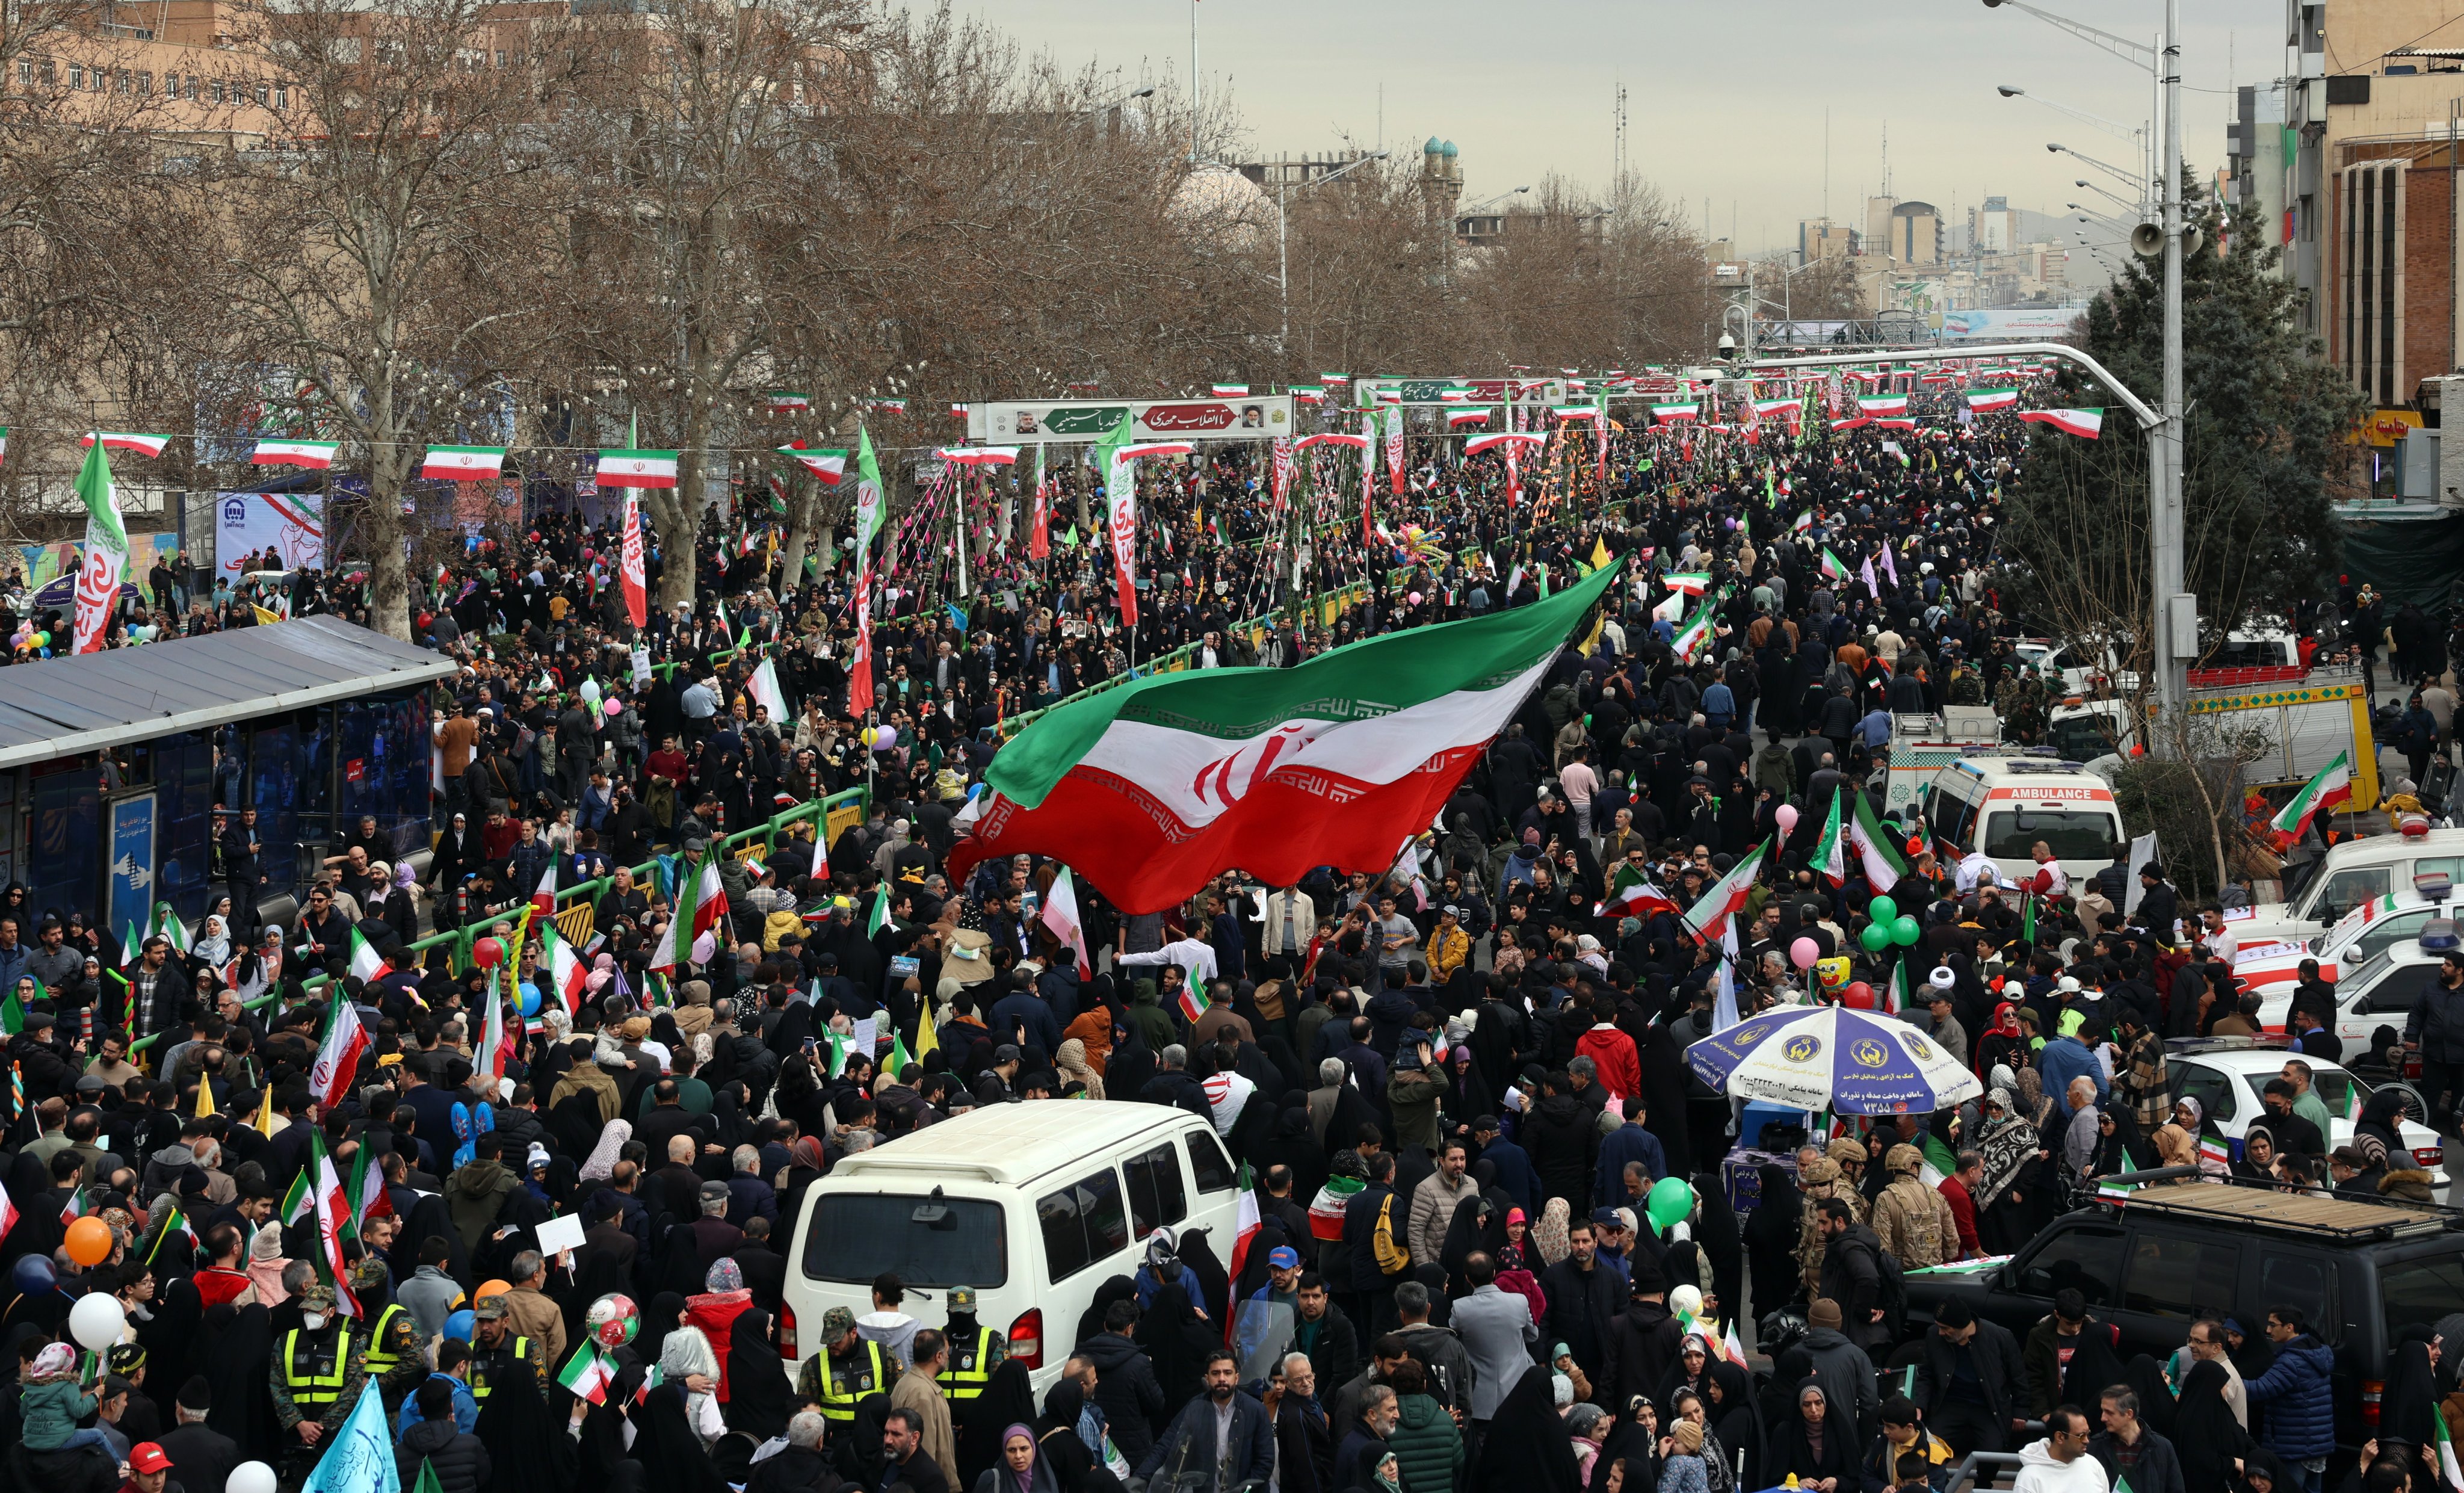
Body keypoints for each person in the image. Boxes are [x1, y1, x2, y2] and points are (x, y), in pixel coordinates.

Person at [1132, 1349, 1273, 1493]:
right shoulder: (1196, 1407)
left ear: (1236, 1378)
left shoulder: (1256, 1411)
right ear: (1207, 1378)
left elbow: (1265, 1462)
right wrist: (1141, 1478)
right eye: (1216, 1373)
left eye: (1228, 1373)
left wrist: (1243, 1490)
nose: (1222, 1379)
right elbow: (1166, 1444)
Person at [2241, 1308, 2333, 1493]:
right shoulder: (2316, 1352)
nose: (2268, 1330)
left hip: (2294, 1445)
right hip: (2316, 1443)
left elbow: (2260, 1389)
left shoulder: (2291, 1362)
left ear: (2289, 1327)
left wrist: (2227, 1378)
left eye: (2273, 1325)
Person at [1916, 1299, 2024, 1456]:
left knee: (1992, 1452)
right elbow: (1926, 1374)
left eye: (1945, 1328)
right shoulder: (1934, 1336)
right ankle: (1936, 1481)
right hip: (1950, 1404)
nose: (1940, 1333)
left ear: (1962, 1326)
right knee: (1932, 1448)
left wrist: (2021, 1411)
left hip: (1988, 1406)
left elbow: (2018, 1377)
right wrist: (1920, 1405)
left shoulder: (2001, 1338)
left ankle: (1984, 1482)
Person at [2087, 1386, 2182, 1493]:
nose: (2103, 1418)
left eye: (2110, 1413)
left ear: (2129, 1414)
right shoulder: (2095, 1447)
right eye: (2103, 1411)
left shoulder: (2162, 1448)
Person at [2013, 1408, 2109, 1493]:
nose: (2087, 1441)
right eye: (2081, 1436)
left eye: (2088, 1434)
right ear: (2060, 1437)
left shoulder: (2093, 1464)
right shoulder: (2029, 1478)